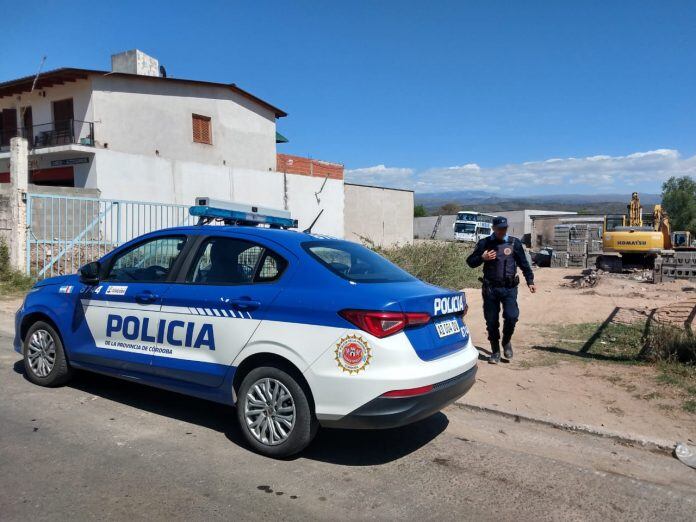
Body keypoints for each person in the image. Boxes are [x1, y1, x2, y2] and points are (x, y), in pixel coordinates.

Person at [466, 216, 536, 364]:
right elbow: (470, 262)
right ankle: (495, 351)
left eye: (504, 228)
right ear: (493, 228)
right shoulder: (485, 243)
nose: (502, 231)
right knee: (491, 321)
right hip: (490, 288)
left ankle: (506, 341)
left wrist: (530, 280)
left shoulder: (514, 243)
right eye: (499, 228)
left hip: (509, 288)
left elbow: (523, 263)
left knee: (511, 316)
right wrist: (482, 257)